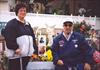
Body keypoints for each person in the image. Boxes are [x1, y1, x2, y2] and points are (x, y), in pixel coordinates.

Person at [3, 3, 38, 70]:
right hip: (16, 57)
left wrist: (35, 51)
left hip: (26, 57)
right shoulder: (12, 23)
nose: (23, 12)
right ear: (17, 12)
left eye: (24, 11)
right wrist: (15, 48)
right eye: (21, 10)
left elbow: (33, 39)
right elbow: (9, 37)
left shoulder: (28, 24)